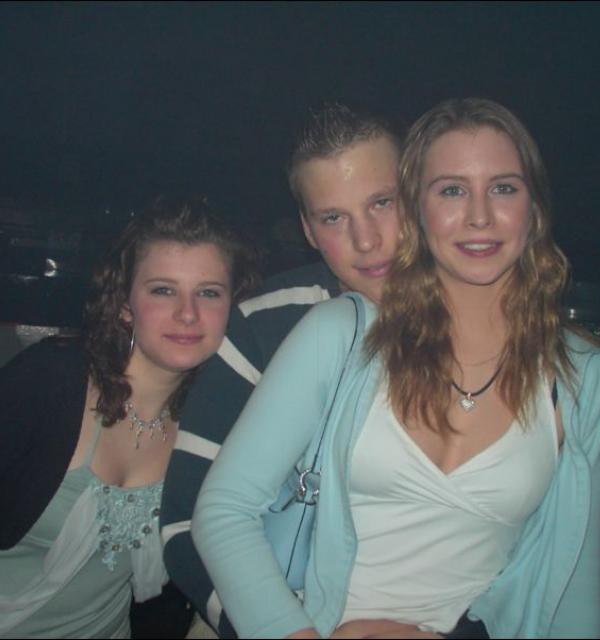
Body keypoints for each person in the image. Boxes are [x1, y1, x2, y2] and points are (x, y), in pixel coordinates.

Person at [191, 98, 600, 639]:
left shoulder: (582, 378)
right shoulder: (338, 332)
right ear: (419, 209)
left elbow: (571, 589)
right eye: (452, 190)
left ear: (534, 207)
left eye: (504, 188)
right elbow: (223, 510)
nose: (479, 216)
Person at [160, 103, 401, 637]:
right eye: (334, 218)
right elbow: (184, 520)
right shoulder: (263, 326)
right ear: (308, 230)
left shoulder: (475, 332)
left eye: (382, 203)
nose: (366, 240)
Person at [0, 195, 257, 639]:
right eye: (163, 290)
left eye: (209, 293)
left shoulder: (218, 423)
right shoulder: (50, 381)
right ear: (124, 303)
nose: (188, 313)